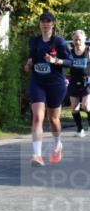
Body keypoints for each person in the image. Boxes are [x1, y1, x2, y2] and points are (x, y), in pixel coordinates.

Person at [24, 11, 71, 166]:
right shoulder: (34, 41)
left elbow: (70, 61)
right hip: (38, 82)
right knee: (38, 116)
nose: (45, 24)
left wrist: (55, 60)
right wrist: (28, 64)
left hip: (55, 84)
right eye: (43, 21)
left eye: (48, 21)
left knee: (53, 119)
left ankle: (58, 144)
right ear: (40, 24)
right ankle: (37, 155)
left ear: (53, 24)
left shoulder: (59, 42)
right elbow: (31, 58)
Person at [63, 29, 90, 138]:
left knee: (86, 106)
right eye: (75, 40)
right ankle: (80, 130)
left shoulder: (88, 50)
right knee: (74, 108)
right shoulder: (70, 52)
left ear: (84, 39)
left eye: (79, 40)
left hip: (87, 82)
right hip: (74, 82)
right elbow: (63, 65)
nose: (77, 42)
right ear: (73, 40)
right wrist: (64, 78)